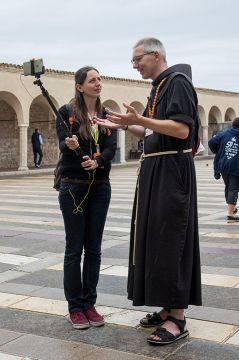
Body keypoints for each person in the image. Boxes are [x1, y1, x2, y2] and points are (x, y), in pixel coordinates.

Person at [96, 37, 202, 345]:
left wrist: (139, 118)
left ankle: (178, 319)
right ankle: (168, 307)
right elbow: (154, 129)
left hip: (172, 171)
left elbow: (182, 130)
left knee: (172, 239)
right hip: (157, 170)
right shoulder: (159, 85)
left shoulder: (178, 82)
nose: (134, 65)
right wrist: (125, 125)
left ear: (156, 55)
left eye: (137, 59)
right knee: (156, 239)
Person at [56, 66, 117, 329]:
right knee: (74, 249)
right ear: (80, 86)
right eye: (93, 80)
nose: (98, 83)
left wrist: (99, 161)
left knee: (94, 248)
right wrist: (68, 146)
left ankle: (89, 303)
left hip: (100, 186)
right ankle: (75, 307)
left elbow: (111, 147)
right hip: (73, 187)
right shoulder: (67, 113)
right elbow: (62, 143)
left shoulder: (105, 115)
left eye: (100, 79)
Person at [208, 117, 239, 223]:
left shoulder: (224, 133)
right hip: (236, 166)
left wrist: (217, 150)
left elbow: (211, 142)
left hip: (223, 164)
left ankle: (231, 208)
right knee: (233, 189)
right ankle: (230, 214)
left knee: (229, 187)